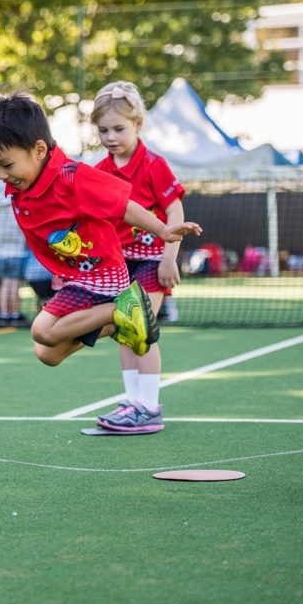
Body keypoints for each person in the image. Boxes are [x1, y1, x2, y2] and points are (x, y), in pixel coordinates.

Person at [0, 92, 201, 377]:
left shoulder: (70, 176)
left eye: (7, 165)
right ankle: (121, 321)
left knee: (42, 330)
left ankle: (126, 307)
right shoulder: (20, 173)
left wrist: (163, 230)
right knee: (47, 353)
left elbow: (123, 206)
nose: (1, 175)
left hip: (101, 276)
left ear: (39, 150)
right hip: (76, 277)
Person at [91, 81, 187, 432]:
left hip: (151, 261)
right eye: (103, 130)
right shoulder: (99, 171)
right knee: (122, 329)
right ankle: (133, 401)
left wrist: (168, 258)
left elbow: (175, 214)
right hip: (117, 265)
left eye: (119, 128)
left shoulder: (153, 165)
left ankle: (149, 406)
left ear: (138, 125)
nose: (111, 136)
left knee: (139, 326)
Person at [0, 180, 29, 327]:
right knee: (14, 285)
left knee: (5, 284)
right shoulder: (16, 212)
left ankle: (4, 314)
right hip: (16, 253)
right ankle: (14, 314)